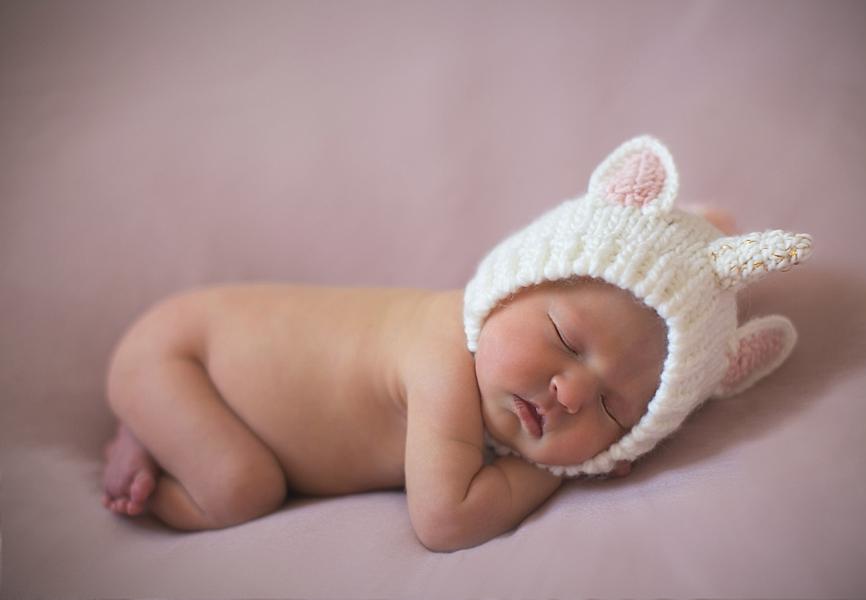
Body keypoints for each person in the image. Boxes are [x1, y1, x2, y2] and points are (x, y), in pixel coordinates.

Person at [101, 135, 813, 551]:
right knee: (239, 489)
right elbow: (445, 521)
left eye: (616, 413)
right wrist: (573, 469)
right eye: (566, 340)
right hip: (184, 355)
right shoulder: (441, 353)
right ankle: (144, 458)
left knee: (247, 478)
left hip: (202, 363)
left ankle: (154, 427)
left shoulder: (496, 408)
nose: (570, 391)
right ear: (511, 286)